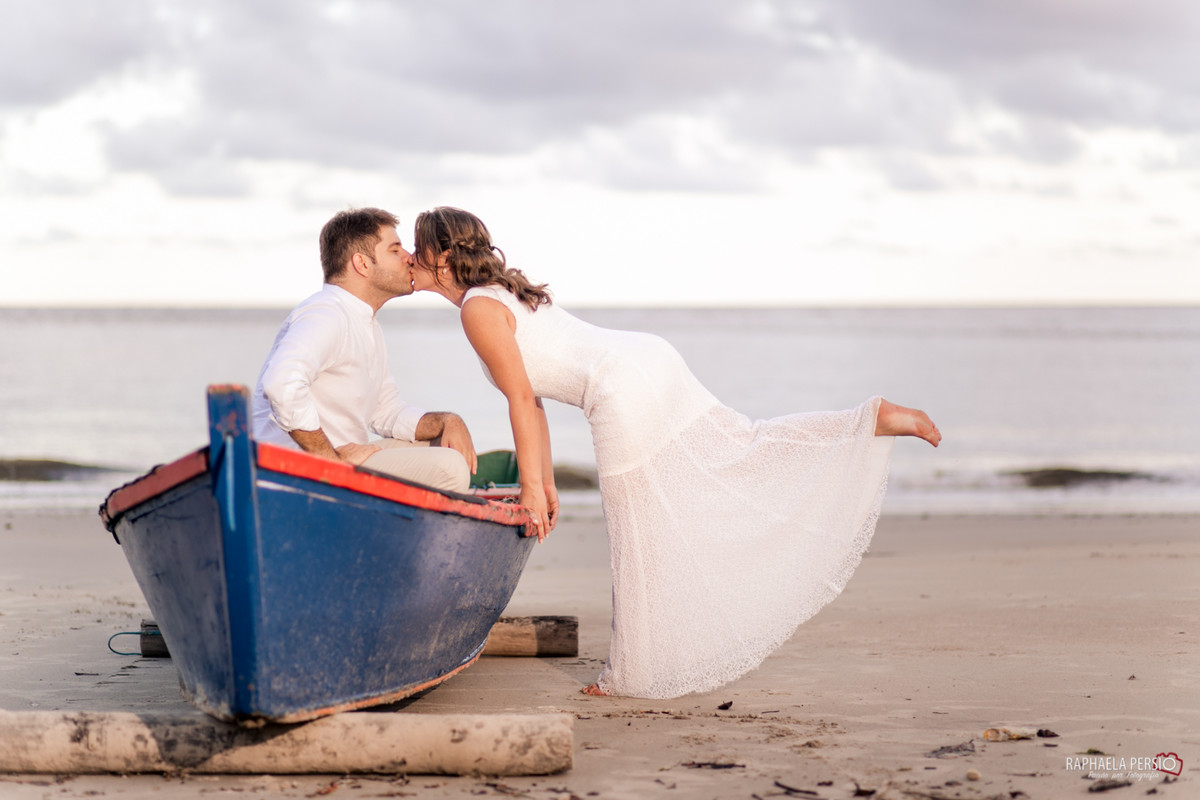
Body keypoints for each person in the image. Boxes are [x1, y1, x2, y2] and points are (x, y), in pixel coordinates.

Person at [409, 206, 942, 699]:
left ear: (443, 257)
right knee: (743, 443)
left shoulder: (476, 309)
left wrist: (528, 489)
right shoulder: (501, 294)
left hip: (620, 385)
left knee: (635, 532)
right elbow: (534, 400)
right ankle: (869, 420)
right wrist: (542, 481)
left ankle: (629, 674)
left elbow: (523, 399)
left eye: (417, 249)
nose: (410, 258)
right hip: (647, 358)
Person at [252, 207, 476, 493]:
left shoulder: (366, 324)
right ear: (362, 264)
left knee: (447, 448)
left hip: (343, 459)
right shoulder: (327, 314)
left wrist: (448, 421)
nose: (409, 257)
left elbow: (385, 412)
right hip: (293, 473)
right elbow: (282, 385)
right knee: (450, 468)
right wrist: (328, 459)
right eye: (395, 250)